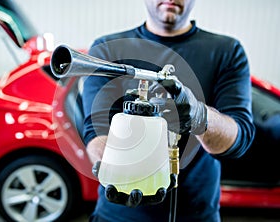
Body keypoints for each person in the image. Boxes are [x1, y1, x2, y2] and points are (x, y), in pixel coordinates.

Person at [81, 0, 255, 221]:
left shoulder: (227, 51)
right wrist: (113, 169)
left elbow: (238, 138)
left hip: (195, 214)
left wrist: (199, 116)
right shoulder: (107, 49)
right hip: (117, 214)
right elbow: (97, 132)